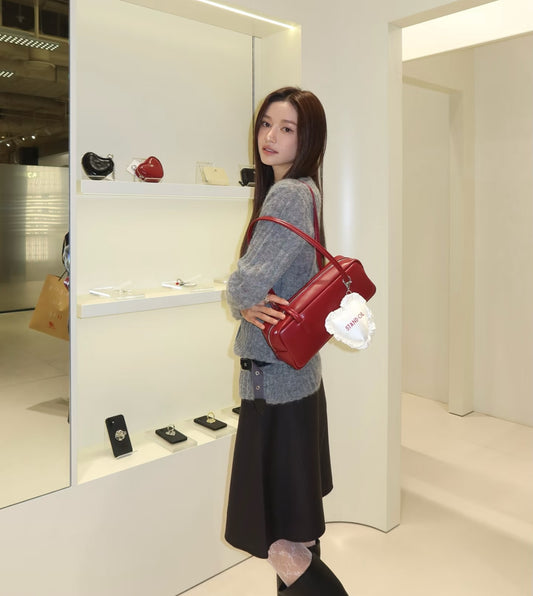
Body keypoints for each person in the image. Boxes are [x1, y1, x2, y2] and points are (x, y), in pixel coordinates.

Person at [224, 87, 348, 595]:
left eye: (287, 128)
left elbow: (244, 285)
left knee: (282, 546)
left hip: (274, 387)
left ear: (308, 138)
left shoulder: (289, 194)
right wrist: (247, 300)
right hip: (297, 382)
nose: (270, 136)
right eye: (266, 124)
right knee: (297, 537)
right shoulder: (308, 191)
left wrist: (240, 298)